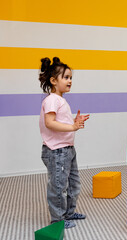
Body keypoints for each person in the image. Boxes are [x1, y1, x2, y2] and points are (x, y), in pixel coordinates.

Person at [38, 57, 90, 229]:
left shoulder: (60, 100)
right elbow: (50, 123)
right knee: (59, 186)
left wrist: (74, 121)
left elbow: (60, 121)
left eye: (70, 77)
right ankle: (58, 219)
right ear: (53, 81)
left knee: (73, 183)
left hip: (67, 150)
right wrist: (72, 126)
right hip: (56, 152)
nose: (70, 81)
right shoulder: (52, 99)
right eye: (66, 77)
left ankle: (68, 212)